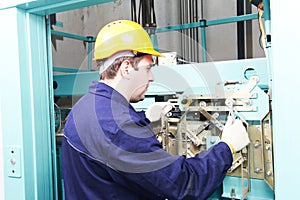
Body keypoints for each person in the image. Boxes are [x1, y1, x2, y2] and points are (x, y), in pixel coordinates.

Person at [62, 19, 250, 200]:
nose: (151, 77)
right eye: (147, 68)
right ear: (126, 68)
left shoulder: (82, 108)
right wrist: (228, 147)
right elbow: (184, 184)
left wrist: (144, 119)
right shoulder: (119, 127)